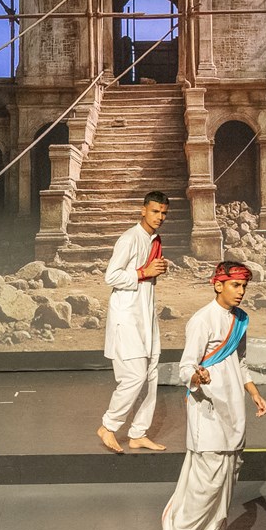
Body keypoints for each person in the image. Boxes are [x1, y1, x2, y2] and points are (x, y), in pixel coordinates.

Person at [161, 261, 266, 530]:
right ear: (218, 284)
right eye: (236, 285)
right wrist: (198, 376)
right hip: (207, 411)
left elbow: (241, 362)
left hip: (233, 410)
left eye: (244, 286)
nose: (241, 291)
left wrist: (254, 392)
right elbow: (186, 366)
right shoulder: (202, 320)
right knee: (204, 486)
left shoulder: (240, 319)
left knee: (225, 486)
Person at [97, 191, 170, 454]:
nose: (159, 217)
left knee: (150, 376)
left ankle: (138, 433)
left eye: (163, 213)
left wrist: (153, 271)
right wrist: (143, 272)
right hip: (126, 316)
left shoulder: (154, 240)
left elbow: (147, 277)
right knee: (135, 376)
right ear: (143, 210)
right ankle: (108, 426)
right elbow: (111, 276)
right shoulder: (129, 238)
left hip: (146, 316)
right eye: (155, 211)